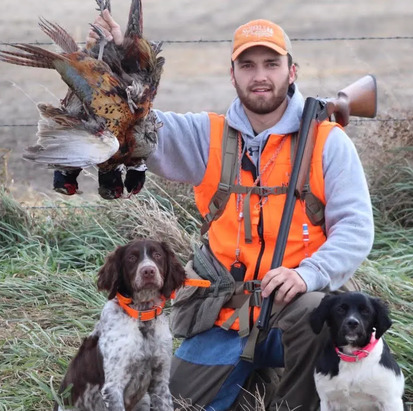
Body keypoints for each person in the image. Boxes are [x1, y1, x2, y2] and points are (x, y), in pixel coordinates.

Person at [87, 13, 374, 411]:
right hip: (225, 313)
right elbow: (138, 126)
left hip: (296, 306)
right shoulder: (210, 135)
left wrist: (308, 275)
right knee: (167, 403)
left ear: (292, 72)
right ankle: (251, 373)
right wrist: (119, 62)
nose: (260, 76)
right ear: (232, 74)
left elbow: (356, 229)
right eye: (248, 65)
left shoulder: (328, 143)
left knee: (320, 316)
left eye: (271, 64)